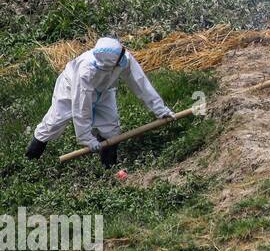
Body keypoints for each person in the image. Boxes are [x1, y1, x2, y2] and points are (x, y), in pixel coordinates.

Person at [26, 37, 175, 167]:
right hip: (70, 88)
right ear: (108, 63)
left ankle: (108, 169)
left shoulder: (123, 57)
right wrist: (85, 138)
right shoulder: (85, 70)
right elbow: (81, 105)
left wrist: (160, 110)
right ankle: (30, 160)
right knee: (54, 123)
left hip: (103, 91)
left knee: (111, 128)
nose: (124, 56)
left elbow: (140, 83)